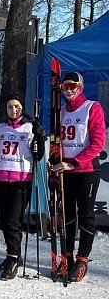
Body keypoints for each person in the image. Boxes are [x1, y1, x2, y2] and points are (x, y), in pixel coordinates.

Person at [51, 72, 105, 282]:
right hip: (66, 172)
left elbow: (98, 142)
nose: (70, 90)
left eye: (73, 85)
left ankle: (82, 259)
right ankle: (67, 257)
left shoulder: (92, 107)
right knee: (68, 217)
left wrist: (73, 162)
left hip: (86, 171)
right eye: (65, 87)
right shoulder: (61, 112)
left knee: (85, 215)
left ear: (80, 86)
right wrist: (55, 160)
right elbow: (57, 142)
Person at [0, 95, 46, 281]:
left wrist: (40, 137)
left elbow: (38, 157)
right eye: (9, 107)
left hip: (20, 179)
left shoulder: (30, 127)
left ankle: (13, 258)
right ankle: (12, 255)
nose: (13, 110)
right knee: (5, 219)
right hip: (0, 178)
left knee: (14, 220)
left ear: (22, 108)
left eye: (16, 106)